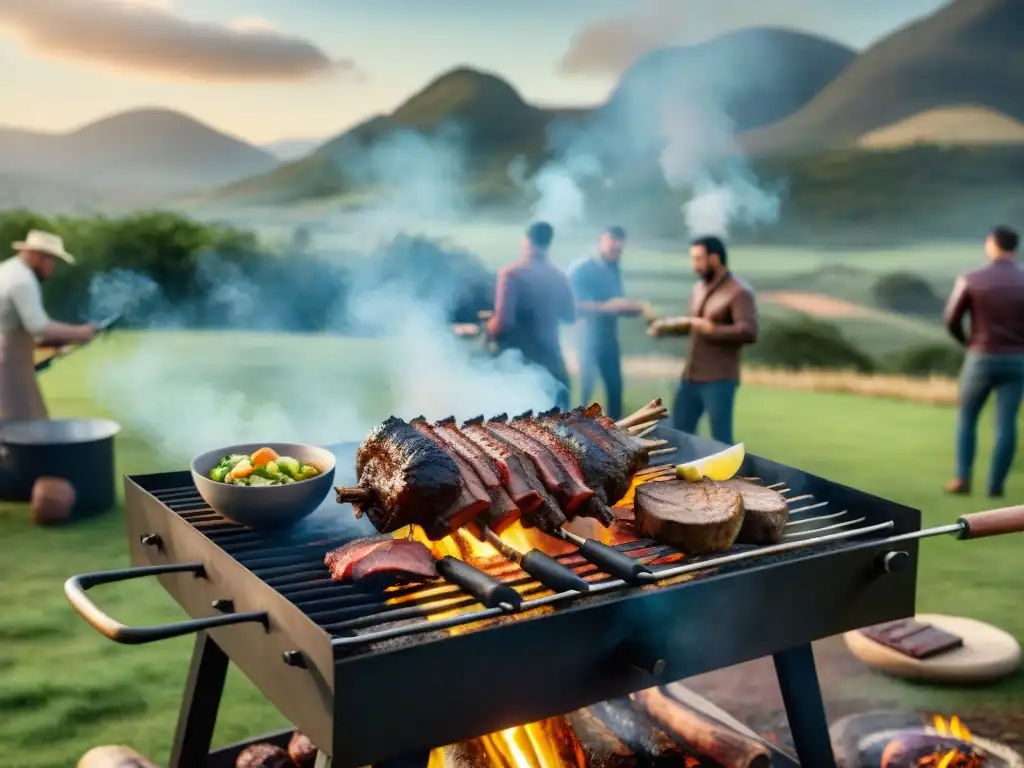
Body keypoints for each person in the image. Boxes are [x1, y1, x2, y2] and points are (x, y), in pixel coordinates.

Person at [648, 235, 757, 445]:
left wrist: (712, 329)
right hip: (690, 376)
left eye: (698, 259)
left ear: (715, 258)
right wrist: (665, 329)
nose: (694, 265)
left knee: (721, 439)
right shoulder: (699, 288)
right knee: (678, 434)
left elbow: (749, 331)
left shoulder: (739, 292)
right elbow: (694, 326)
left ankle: (729, 478)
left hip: (720, 378)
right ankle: (680, 476)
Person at [942, 225, 1024, 498]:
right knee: (1007, 422)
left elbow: (952, 319)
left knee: (967, 418)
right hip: (1017, 359)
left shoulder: (972, 278)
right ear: (1015, 247)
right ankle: (996, 486)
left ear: (992, 244)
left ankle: (963, 479)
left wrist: (968, 343)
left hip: (981, 356)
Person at [0, 230, 96, 420]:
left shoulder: (9, 270)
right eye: (51, 260)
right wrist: (81, 333)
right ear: (37, 256)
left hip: (11, 362)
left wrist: (55, 345)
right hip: (8, 366)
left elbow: (18, 329)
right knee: (26, 429)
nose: (52, 267)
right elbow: (39, 327)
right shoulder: (22, 280)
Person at [487, 222, 576, 410]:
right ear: (548, 244)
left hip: (521, 367)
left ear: (526, 242)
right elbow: (569, 316)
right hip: (552, 365)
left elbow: (503, 322)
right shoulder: (558, 276)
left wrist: (489, 327)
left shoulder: (512, 274)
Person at [568, 226, 647, 421]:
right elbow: (571, 305)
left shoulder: (614, 269)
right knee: (585, 392)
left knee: (615, 390)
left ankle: (615, 438)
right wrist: (607, 307)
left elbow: (617, 303)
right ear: (601, 242)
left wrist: (631, 308)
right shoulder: (581, 269)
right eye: (613, 248)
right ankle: (575, 435)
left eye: (619, 250)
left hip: (609, 339)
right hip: (588, 340)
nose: (616, 253)